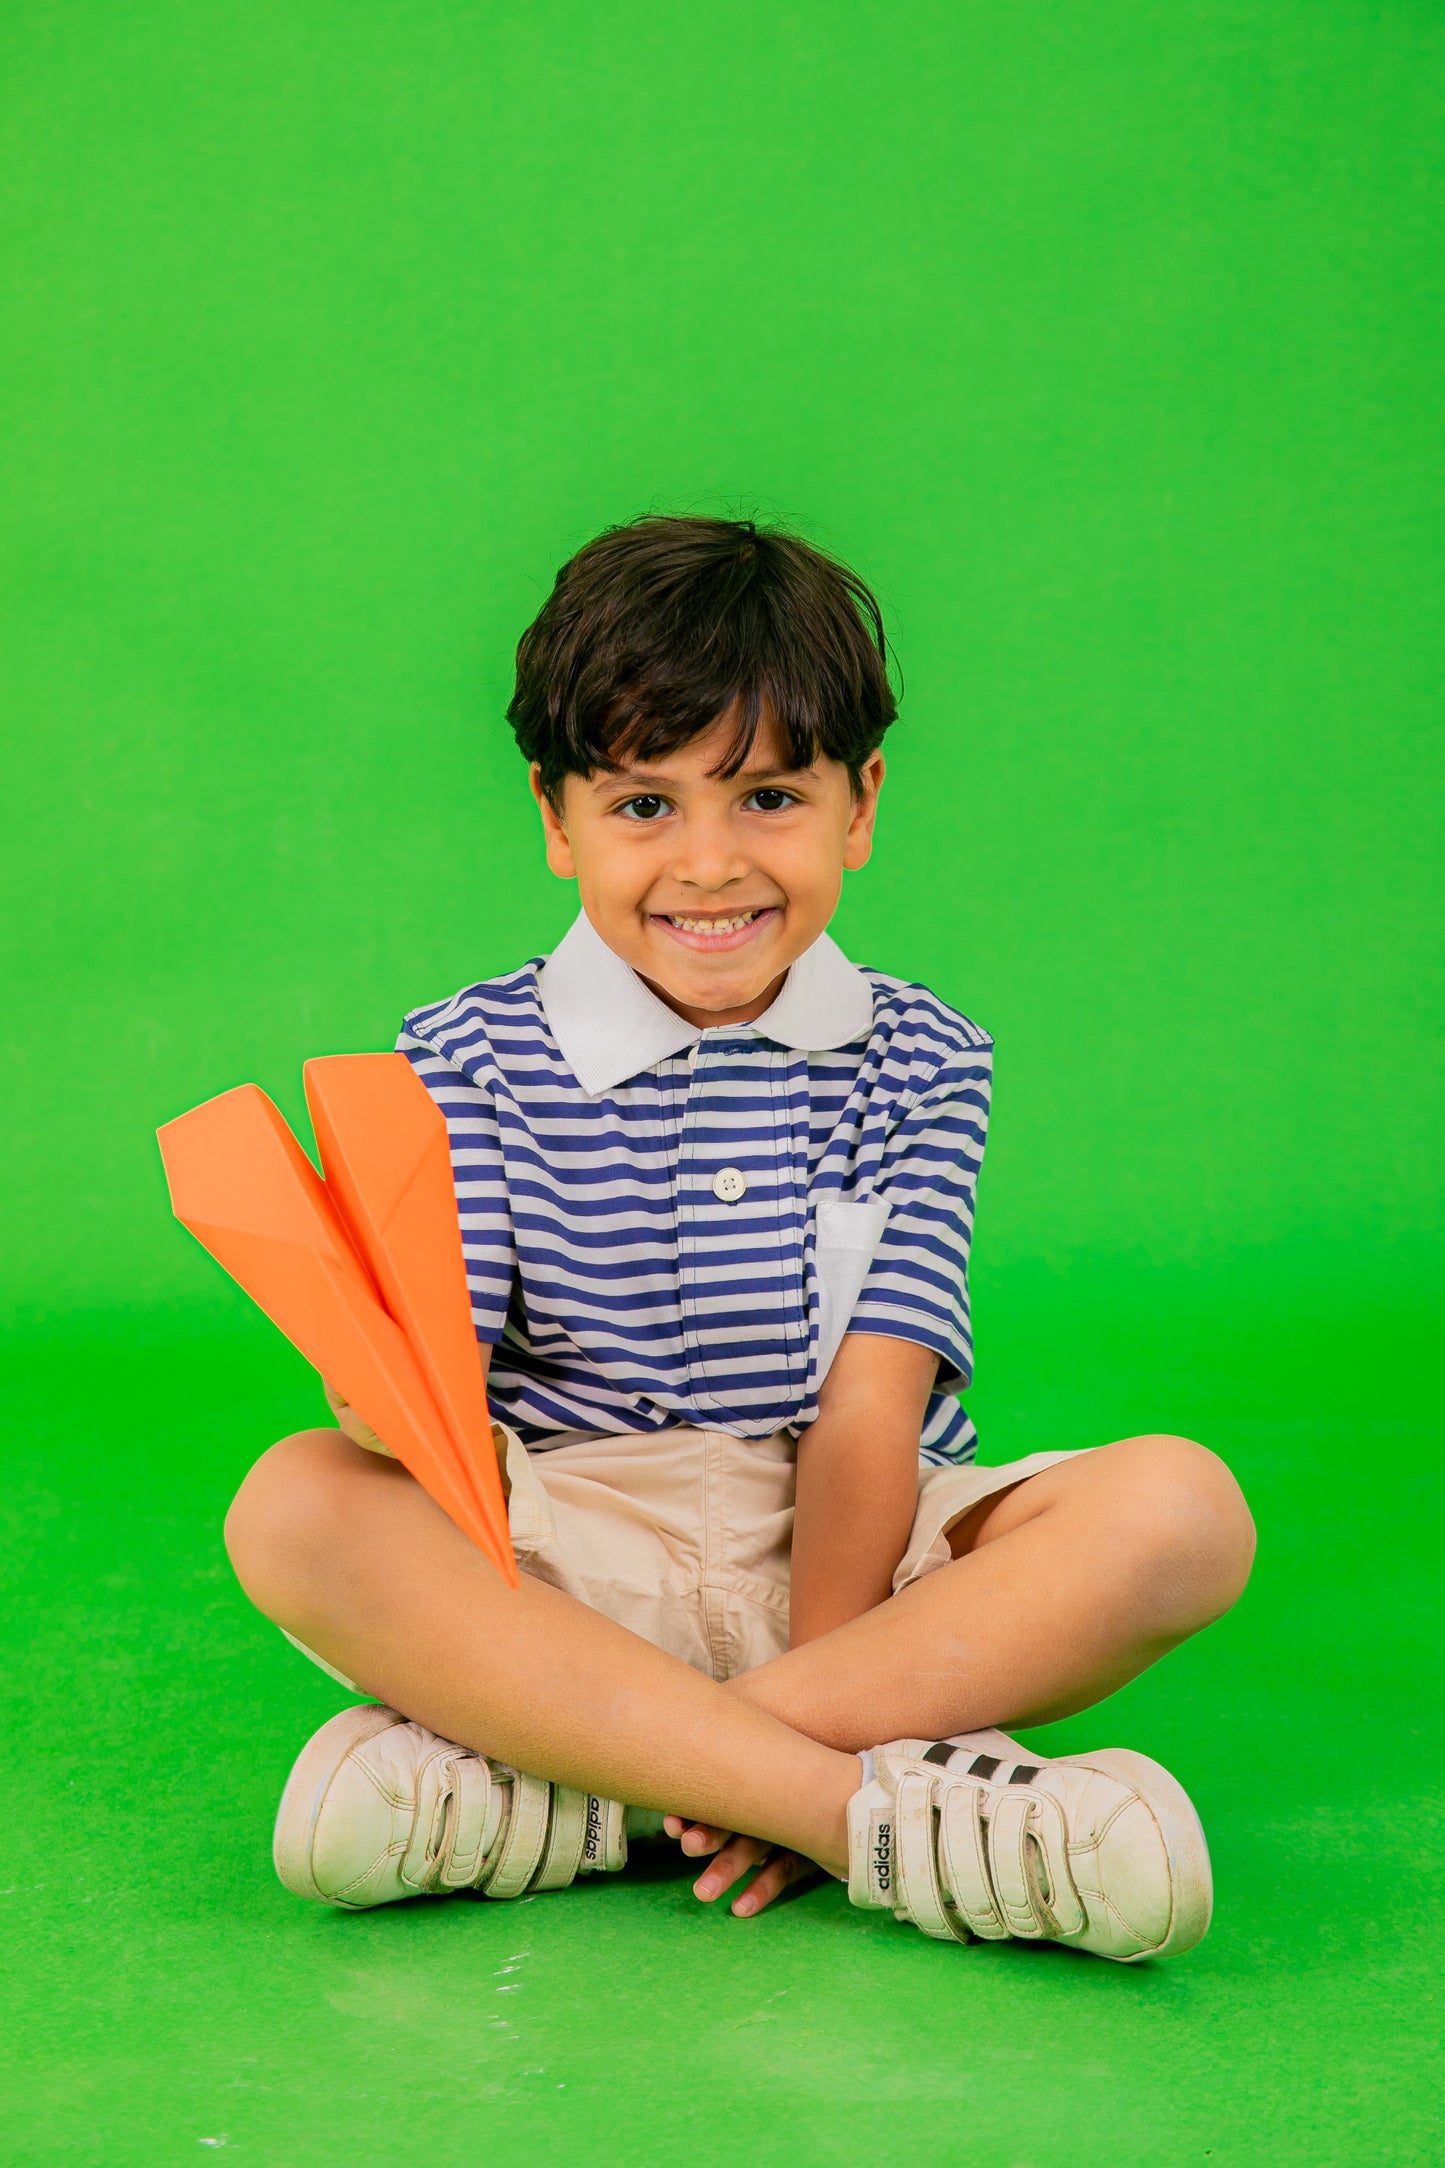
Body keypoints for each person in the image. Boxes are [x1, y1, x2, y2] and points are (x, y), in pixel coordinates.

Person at [224, 515, 1255, 1961]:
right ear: (554, 818)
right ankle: (876, 1819)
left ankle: (603, 1790)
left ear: (858, 805)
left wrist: (827, 1660)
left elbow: (874, 1397)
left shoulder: (923, 1057)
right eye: (643, 807)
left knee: (1179, 1511)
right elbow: (437, 1387)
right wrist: (383, 1387)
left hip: (856, 1569)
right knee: (299, 1501)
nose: (708, 866)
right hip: (567, 1566)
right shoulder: (461, 1053)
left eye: (766, 796)